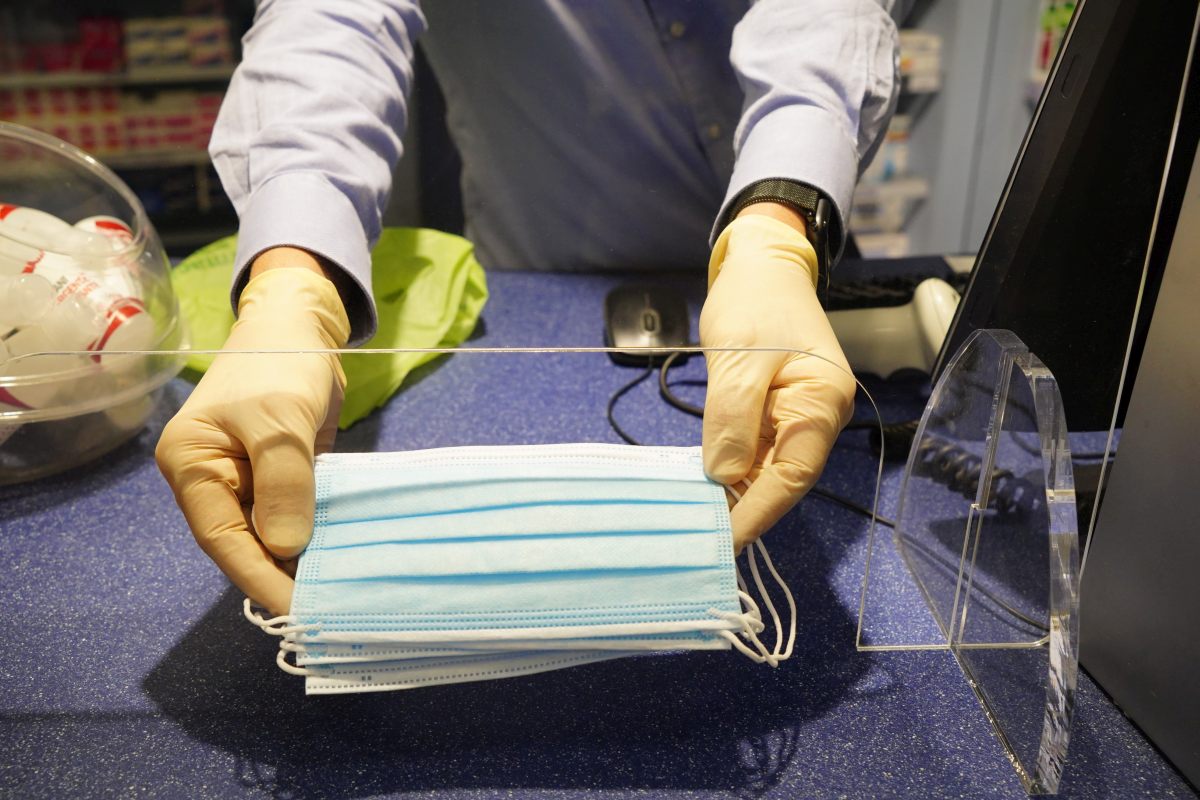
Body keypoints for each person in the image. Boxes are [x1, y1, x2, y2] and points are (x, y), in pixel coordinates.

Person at [156, 0, 906, 616]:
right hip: (541, 277)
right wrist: (290, 286)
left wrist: (779, 231)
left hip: (799, 271)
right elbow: (329, 20)